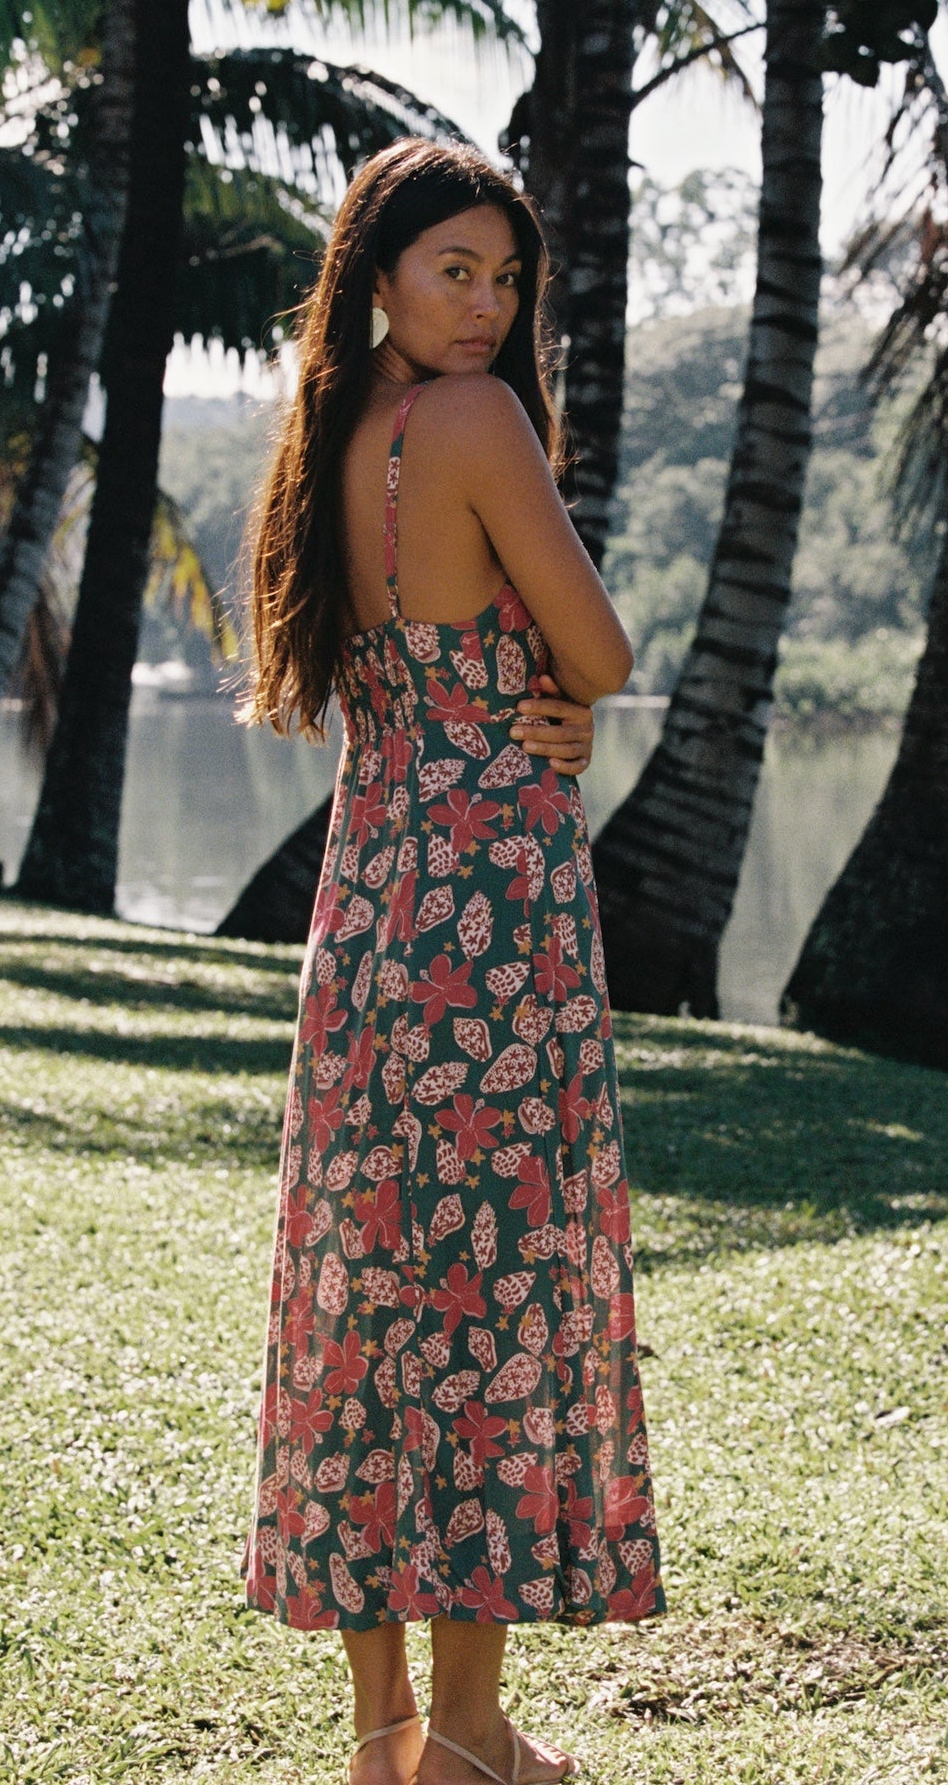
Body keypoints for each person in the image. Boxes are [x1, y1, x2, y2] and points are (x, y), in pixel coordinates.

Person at [241, 139, 664, 1785]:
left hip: (371, 902)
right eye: (453, 272)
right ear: (379, 277)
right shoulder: (476, 424)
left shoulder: (343, 437)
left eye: (505, 278)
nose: (485, 307)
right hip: (490, 911)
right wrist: (568, 700)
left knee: (368, 1295)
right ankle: (475, 1736)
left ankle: (386, 1733)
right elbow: (603, 648)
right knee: (488, 1295)